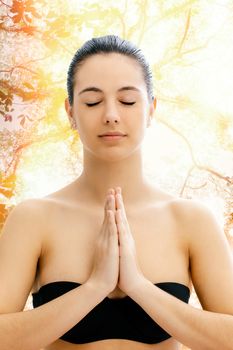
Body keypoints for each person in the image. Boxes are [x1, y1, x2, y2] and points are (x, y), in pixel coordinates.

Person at [0, 35, 233, 350]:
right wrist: (94, 287)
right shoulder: (34, 218)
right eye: (93, 101)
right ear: (70, 112)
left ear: (151, 109)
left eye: (127, 100)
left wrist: (138, 284)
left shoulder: (191, 220)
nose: (111, 114)